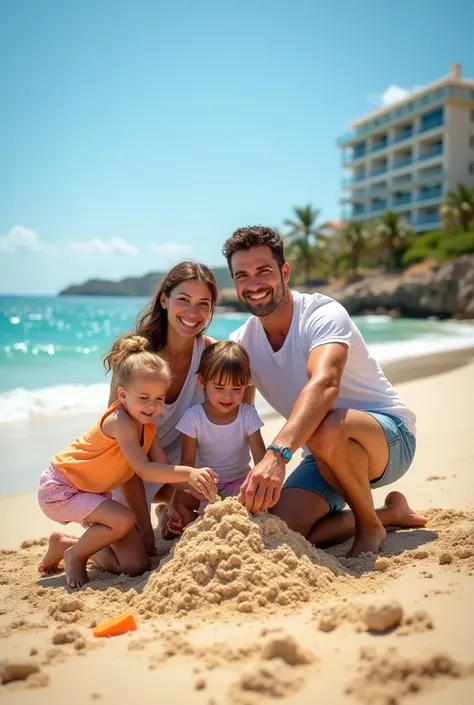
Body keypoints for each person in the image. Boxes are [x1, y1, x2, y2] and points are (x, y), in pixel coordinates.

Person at [222, 225, 426, 557]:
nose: (253, 284)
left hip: (390, 438)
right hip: (321, 452)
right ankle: (390, 515)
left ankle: (368, 526)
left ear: (284, 271)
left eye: (264, 271)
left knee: (325, 426)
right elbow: (239, 416)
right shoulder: (241, 343)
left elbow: (325, 383)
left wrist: (277, 455)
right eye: (242, 275)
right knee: (282, 528)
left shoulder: (322, 314)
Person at [37, 334, 217, 588]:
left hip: (92, 494)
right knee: (123, 519)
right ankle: (75, 556)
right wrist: (188, 472)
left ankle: (63, 545)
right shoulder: (120, 422)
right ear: (122, 394)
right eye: (143, 398)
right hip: (62, 489)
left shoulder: (148, 427)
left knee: (135, 564)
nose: (152, 406)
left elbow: (165, 469)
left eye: (159, 399)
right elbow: (145, 470)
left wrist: (194, 488)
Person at [108, 261, 219, 535]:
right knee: (137, 558)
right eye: (184, 300)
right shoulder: (136, 356)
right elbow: (119, 441)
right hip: (133, 467)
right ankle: (64, 544)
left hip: (183, 468)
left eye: (203, 303)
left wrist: (182, 496)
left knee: (207, 505)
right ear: (164, 300)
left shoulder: (211, 354)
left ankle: (169, 506)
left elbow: (239, 403)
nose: (193, 312)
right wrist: (145, 533)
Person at [165, 341, 266, 534]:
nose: (228, 396)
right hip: (205, 484)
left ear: (246, 384)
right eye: (219, 387)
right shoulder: (194, 417)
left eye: (237, 388)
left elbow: (261, 460)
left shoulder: (247, 415)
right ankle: (182, 518)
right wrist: (194, 490)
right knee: (178, 504)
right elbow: (187, 463)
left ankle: (203, 519)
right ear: (202, 381)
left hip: (238, 482)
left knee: (251, 506)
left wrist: (254, 490)